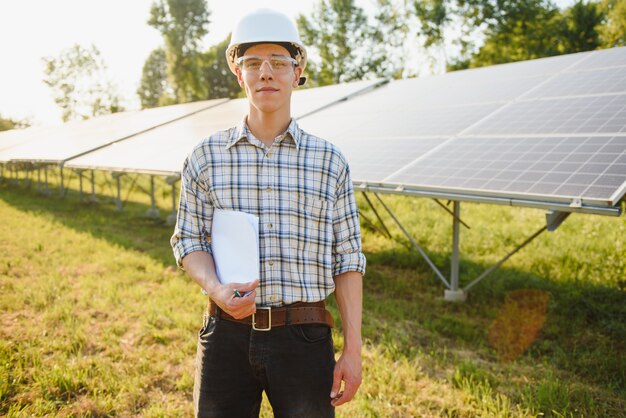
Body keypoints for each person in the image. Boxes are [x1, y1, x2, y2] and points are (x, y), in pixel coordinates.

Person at [170, 8, 365, 418]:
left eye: (279, 62)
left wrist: (353, 349)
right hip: (226, 334)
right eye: (253, 63)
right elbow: (188, 240)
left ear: (297, 73)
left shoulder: (330, 162)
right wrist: (215, 288)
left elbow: (348, 258)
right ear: (238, 74)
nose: (266, 73)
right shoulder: (206, 156)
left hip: (305, 340)